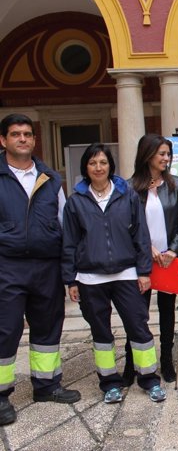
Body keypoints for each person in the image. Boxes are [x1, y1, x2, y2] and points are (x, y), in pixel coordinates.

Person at [62, 143, 166, 403]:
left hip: (126, 275)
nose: (99, 167)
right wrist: (70, 278)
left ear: (110, 166)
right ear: (85, 167)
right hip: (90, 278)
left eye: (103, 162)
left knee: (139, 329)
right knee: (101, 334)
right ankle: (109, 384)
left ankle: (150, 379)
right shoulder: (76, 201)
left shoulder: (127, 195)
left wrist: (144, 272)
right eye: (93, 163)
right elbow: (69, 242)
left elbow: (140, 235)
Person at [0, 113, 81, 426]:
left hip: (46, 266)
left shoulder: (50, 179)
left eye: (28, 134)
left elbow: (65, 228)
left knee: (48, 326)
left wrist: (68, 273)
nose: (23, 139)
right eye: (16, 134)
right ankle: (1, 395)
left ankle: (46, 385)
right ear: (4, 140)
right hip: (7, 265)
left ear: (34, 140)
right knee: (6, 329)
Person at [126, 134, 178, 384]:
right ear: (148, 155)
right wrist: (146, 247)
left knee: (167, 311)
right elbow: (128, 225)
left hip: (168, 260)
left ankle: (166, 359)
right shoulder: (131, 187)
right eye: (162, 154)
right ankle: (133, 362)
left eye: (168, 154)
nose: (166, 158)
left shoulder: (176, 183)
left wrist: (174, 249)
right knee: (137, 313)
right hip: (141, 261)